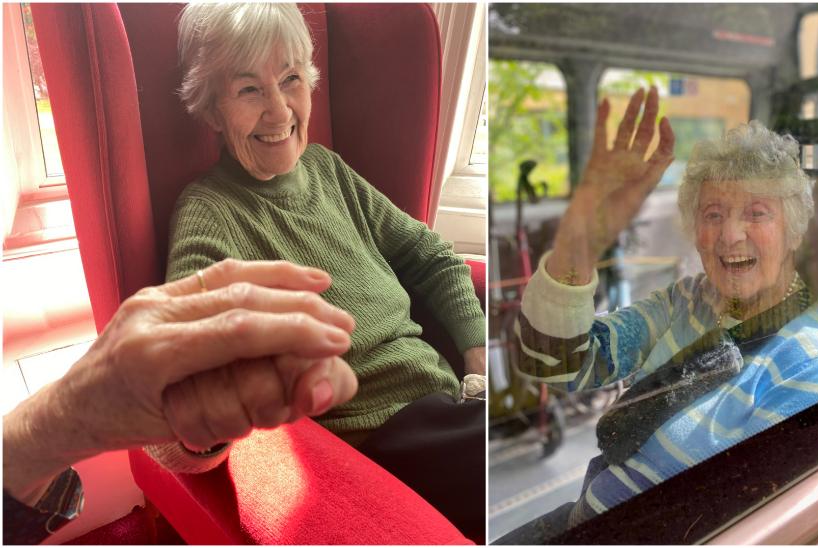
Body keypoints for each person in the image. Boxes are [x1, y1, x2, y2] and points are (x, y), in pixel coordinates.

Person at [153, 3, 486, 539]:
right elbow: (187, 349)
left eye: (290, 79)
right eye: (248, 90)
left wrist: (478, 359)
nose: (279, 110)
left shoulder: (327, 169)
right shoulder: (209, 211)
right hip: (382, 437)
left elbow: (432, 256)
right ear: (211, 110)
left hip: (449, 404)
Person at [502, 87, 818, 542]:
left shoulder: (813, 361)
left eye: (756, 213)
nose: (730, 235)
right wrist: (582, 239)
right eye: (713, 214)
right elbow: (559, 365)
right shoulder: (690, 299)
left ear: (793, 229)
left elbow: (750, 529)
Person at [3, 260, 359, 544]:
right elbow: (186, 372)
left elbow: (414, 249)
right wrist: (68, 412)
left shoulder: (339, 176)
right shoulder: (207, 211)